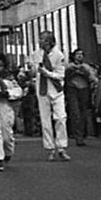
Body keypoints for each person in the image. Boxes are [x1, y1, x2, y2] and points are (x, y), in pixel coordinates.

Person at [28, 30, 69, 161]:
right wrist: (32, 70)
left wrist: (47, 73)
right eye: (40, 39)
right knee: (45, 120)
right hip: (42, 90)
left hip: (56, 90)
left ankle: (62, 147)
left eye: (44, 40)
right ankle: (50, 148)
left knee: (61, 118)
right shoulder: (36, 54)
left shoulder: (59, 55)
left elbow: (61, 75)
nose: (41, 42)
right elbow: (33, 71)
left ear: (51, 41)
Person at [64, 49, 98, 145]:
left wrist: (86, 74)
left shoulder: (86, 67)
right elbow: (63, 77)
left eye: (81, 54)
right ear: (73, 56)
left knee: (83, 112)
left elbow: (94, 79)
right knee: (75, 113)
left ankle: (82, 133)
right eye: (77, 54)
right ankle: (77, 135)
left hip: (84, 90)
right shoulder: (68, 66)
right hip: (72, 89)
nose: (79, 56)